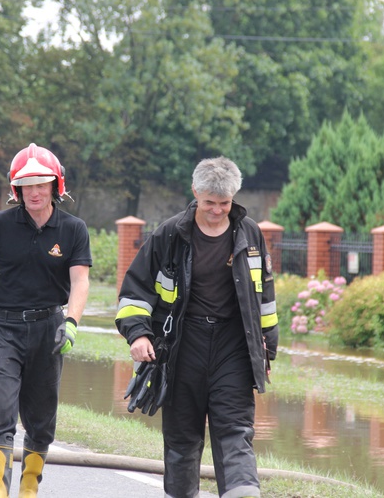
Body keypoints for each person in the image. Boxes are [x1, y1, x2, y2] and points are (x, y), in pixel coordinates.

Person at [115, 156, 279, 498]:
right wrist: (139, 333)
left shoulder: (250, 235)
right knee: (182, 438)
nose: (217, 210)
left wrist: (267, 347)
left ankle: (242, 492)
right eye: (209, 203)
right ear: (195, 193)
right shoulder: (170, 235)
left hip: (233, 348)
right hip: (182, 347)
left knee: (235, 430)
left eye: (224, 203)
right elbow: (135, 290)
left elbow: (264, 296)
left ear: (233, 197)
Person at [0, 143, 92, 498]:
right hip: (4, 328)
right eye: (27, 185)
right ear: (16, 188)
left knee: (41, 419)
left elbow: (80, 280)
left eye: (41, 184)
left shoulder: (73, 229)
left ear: (55, 186)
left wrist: (71, 321)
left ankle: (29, 488)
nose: (35, 192)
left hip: (49, 330)